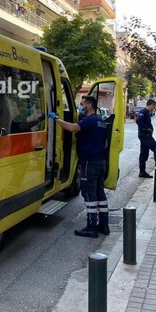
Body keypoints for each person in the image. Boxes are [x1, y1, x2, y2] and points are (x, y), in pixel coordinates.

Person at [49, 95, 109, 237]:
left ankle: (91, 227)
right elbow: (105, 143)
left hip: (89, 162)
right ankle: (104, 226)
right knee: (100, 194)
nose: (80, 106)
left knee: (89, 195)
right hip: (101, 162)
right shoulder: (101, 121)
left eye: (82, 104)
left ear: (89, 106)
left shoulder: (88, 120)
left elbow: (72, 128)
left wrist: (56, 119)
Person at [136, 99, 156, 178]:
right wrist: (146, 128)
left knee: (144, 154)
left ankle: (142, 172)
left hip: (146, 135)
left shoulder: (147, 112)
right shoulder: (143, 112)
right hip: (145, 135)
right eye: (154, 106)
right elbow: (138, 120)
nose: (154, 107)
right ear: (151, 105)